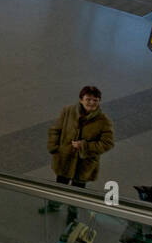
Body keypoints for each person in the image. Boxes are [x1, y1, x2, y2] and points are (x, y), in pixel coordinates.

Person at [40, 85, 114, 221]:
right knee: (60, 184)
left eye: (95, 100)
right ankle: (55, 204)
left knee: (77, 190)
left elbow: (107, 143)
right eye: (88, 99)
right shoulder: (68, 111)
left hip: (84, 163)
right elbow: (55, 129)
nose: (92, 103)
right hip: (65, 158)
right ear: (81, 100)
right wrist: (54, 148)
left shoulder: (104, 122)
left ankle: (72, 213)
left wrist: (84, 146)